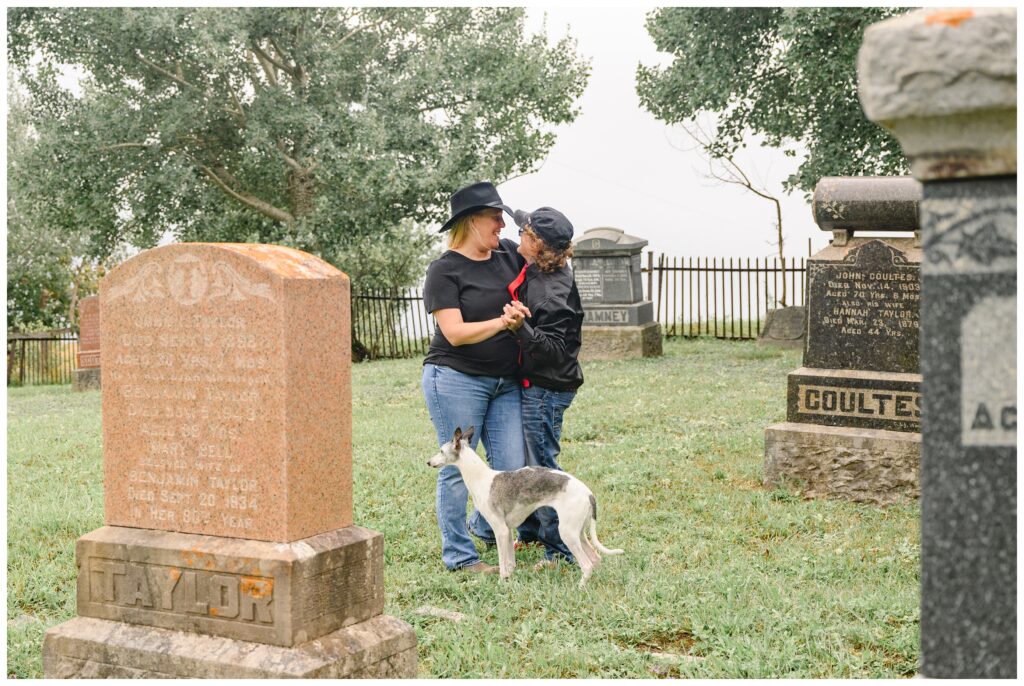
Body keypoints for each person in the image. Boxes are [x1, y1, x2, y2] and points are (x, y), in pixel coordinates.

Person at [422, 181, 529, 574]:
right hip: (455, 378)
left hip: (506, 382)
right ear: (471, 221)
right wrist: (504, 322)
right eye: (495, 217)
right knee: (457, 470)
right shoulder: (444, 270)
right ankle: (460, 557)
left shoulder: (507, 256)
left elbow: (539, 265)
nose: (502, 224)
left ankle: (483, 524)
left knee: (513, 467)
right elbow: (455, 333)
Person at [501, 206, 585, 569]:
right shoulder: (539, 268)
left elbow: (555, 350)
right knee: (527, 465)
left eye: (524, 232)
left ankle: (560, 551)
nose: (516, 234)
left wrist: (520, 327)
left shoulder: (553, 291)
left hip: (547, 388)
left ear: (536, 244)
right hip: (536, 384)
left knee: (542, 470)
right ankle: (531, 533)